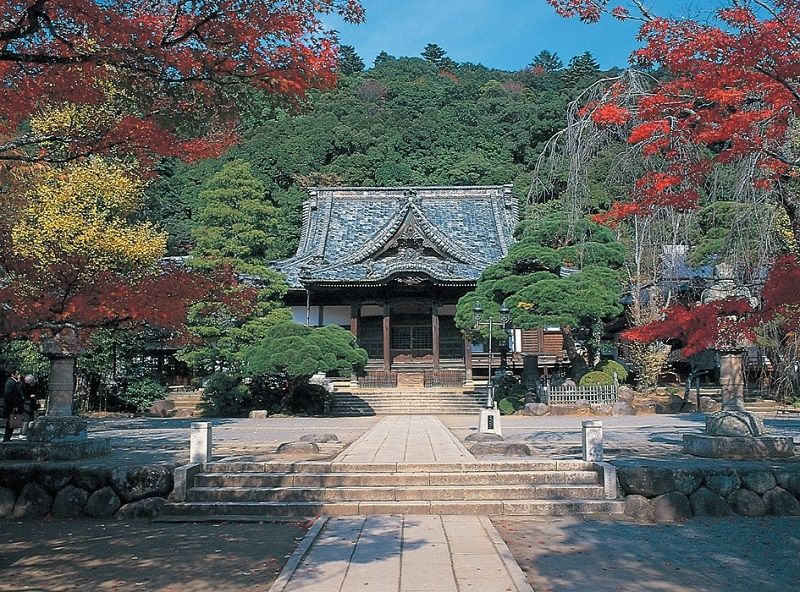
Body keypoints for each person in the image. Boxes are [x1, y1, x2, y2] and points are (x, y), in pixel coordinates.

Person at [3, 370, 24, 442]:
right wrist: (14, 405)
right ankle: (6, 438)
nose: (19, 375)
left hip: (15, 405)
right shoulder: (10, 382)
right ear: (12, 374)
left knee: (12, 422)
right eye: (17, 373)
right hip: (12, 406)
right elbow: (9, 395)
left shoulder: (15, 382)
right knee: (10, 422)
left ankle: (8, 437)